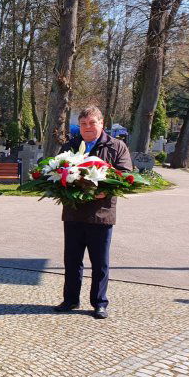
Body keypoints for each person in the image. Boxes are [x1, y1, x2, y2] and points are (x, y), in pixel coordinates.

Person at [53, 106, 132, 319]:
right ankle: (70, 300)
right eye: (84, 124)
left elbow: (124, 176)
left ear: (101, 123)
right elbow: (56, 171)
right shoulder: (70, 145)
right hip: (73, 213)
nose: (88, 127)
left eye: (92, 123)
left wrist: (102, 192)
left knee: (99, 262)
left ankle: (99, 302)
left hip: (101, 213)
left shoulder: (116, 147)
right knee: (72, 260)